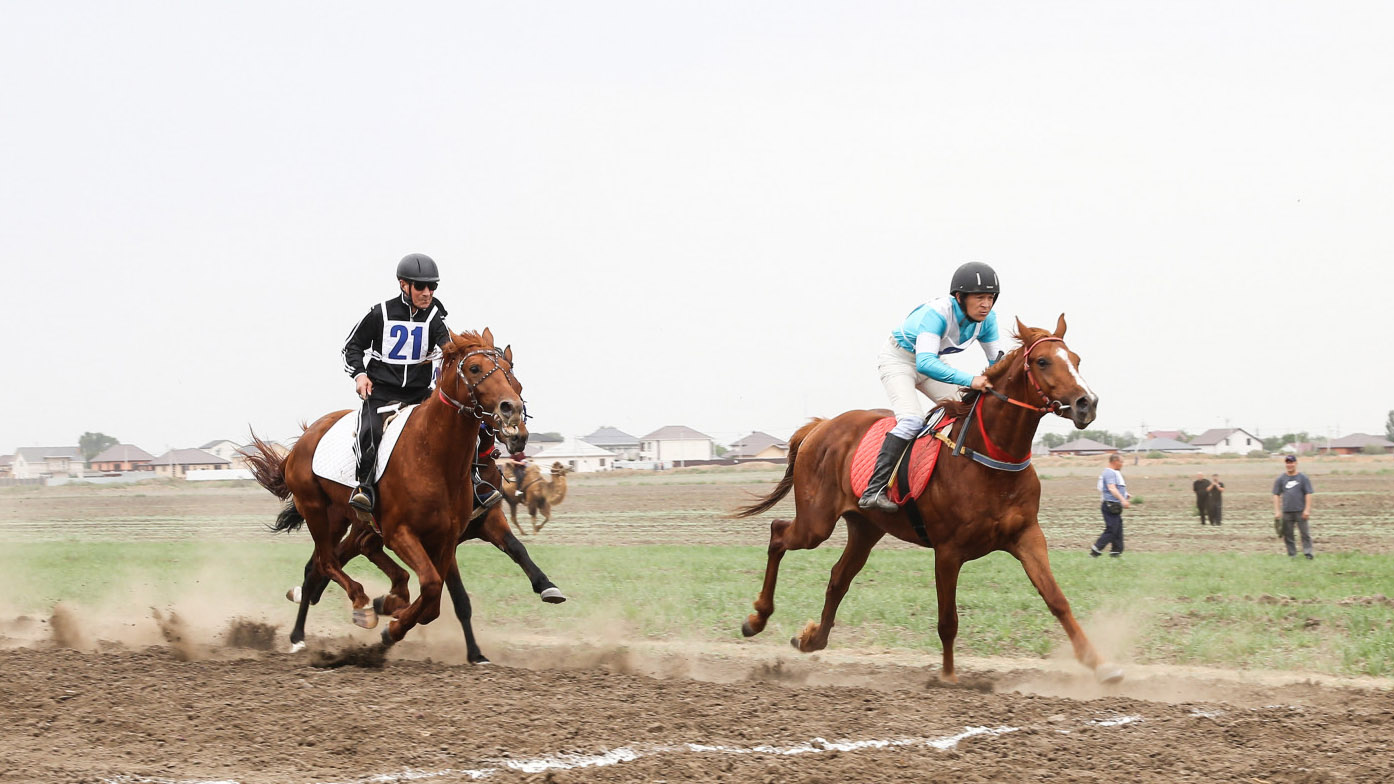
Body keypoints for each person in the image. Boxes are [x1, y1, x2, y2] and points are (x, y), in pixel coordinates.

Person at [341, 253, 501, 515]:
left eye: (432, 286)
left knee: (461, 427)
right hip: (382, 393)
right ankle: (364, 487)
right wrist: (360, 375)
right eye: (420, 287)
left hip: (420, 395)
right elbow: (352, 347)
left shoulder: (434, 316)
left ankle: (474, 484)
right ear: (403, 285)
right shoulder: (380, 313)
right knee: (369, 431)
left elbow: (448, 347)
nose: (427, 293)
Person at [858, 262, 1006, 512]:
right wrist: (971, 380)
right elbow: (925, 363)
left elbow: (996, 363)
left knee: (968, 410)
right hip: (899, 360)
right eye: (979, 297)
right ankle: (873, 490)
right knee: (912, 420)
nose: (986, 304)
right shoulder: (937, 314)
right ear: (959, 297)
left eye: (990, 298)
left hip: (931, 360)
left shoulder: (988, 320)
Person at [1273, 455, 1315, 559]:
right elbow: (1276, 494)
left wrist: (1307, 510)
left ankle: (1308, 554)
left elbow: (1308, 493)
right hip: (1287, 511)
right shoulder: (1281, 479)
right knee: (1288, 535)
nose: (1289, 465)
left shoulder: (1303, 478)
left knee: (1305, 534)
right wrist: (1277, 511)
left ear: (1296, 463)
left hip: (1300, 511)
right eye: (1287, 463)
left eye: (1291, 462)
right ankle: (1292, 555)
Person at [1090, 453, 1130, 558]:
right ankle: (1096, 549)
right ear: (1115, 461)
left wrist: (1125, 494)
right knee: (1112, 529)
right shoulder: (1109, 473)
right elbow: (1112, 488)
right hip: (1110, 505)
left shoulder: (1113, 472)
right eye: (1121, 462)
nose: (1122, 464)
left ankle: (1116, 552)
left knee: (1118, 528)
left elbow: (1116, 487)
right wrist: (1123, 500)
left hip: (1114, 504)